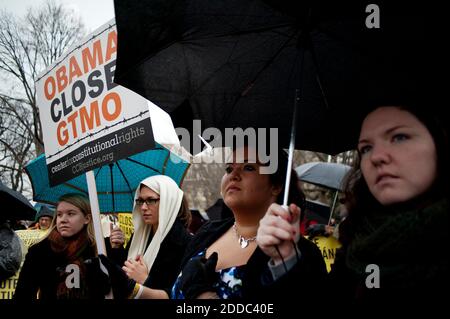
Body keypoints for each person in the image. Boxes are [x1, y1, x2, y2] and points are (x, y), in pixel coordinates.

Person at [257, 105, 449, 305]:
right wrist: (287, 258)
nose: (376, 157)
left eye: (399, 137)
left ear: (440, 141)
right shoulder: (357, 240)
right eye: (366, 148)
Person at [106, 175, 192, 298]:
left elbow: (180, 293)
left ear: (169, 201)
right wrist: (117, 248)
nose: (143, 207)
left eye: (151, 200)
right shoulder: (140, 235)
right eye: (140, 201)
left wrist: (145, 280)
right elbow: (124, 273)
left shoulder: (185, 243)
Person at [13, 193, 109, 299]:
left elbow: (119, 289)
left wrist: (117, 251)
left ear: (87, 218)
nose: (63, 219)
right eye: (59, 214)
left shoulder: (100, 249)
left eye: (71, 214)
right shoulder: (39, 251)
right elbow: (22, 295)